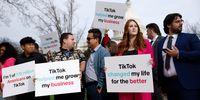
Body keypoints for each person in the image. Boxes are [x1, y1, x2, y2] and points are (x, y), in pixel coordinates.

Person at [157, 13, 200, 100]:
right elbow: (160, 64)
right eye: (177, 21)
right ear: (168, 25)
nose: (181, 23)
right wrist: (162, 85)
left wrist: (179, 54)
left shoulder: (190, 37)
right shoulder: (160, 43)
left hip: (188, 86)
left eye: (181, 21)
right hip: (169, 86)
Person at [117, 19, 155, 100]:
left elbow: (153, 62)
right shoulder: (120, 46)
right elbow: (117, 64)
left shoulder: (145, 43)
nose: (134, 28)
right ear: (126, 29)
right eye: (131, 26)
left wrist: (150, 63)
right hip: (125, 86)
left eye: (135, 26)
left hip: (141, 84)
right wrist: (110, 69)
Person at [49, 33, 86, 100]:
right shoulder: (54, 55)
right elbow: (48, 70)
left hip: (77, 88)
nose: (74, 41)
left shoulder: (78, 52)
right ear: (64, 40)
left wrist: (80, 70)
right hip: (60, 90)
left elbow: (83, 61)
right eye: (72, 39)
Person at [85, 28, 110, 100]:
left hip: (96, 86)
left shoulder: (103, 52)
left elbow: (104, 69)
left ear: (96, 39)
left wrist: (100, 85)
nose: (87, 41)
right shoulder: (90, 52)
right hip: (89, 86)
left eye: (89, 38)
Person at [146, 23, 164, 100]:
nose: (146, 33)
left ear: (152, 30)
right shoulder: (149, 43)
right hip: (151, 77)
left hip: (159, 77)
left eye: (147, 31)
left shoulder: (162, 40)